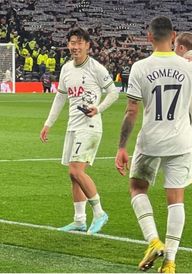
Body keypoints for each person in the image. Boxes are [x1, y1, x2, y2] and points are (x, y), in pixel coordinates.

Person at [115, 16, 192, 273]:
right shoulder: (188, 66)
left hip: (151, 141)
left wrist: (121, 147)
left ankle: (153, 241)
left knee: (137, 189)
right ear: (173, 36)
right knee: (176, 199)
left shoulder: (139, 67)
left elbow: (131, 111)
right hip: (181, 141)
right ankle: (169, 262)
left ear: (149, 37)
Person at [40, 27, 119, 235]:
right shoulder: (66, 68)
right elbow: (60, 97)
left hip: (90, 126)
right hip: (73, 126)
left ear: (87, 45)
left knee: (76, 170)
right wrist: (48, 123)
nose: (75, 47)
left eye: (79, 43)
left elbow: (113, 93)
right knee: (73, 176)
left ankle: (100, 212)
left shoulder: (96, 68)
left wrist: (98, 108)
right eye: (72, 43)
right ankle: (79, 220)